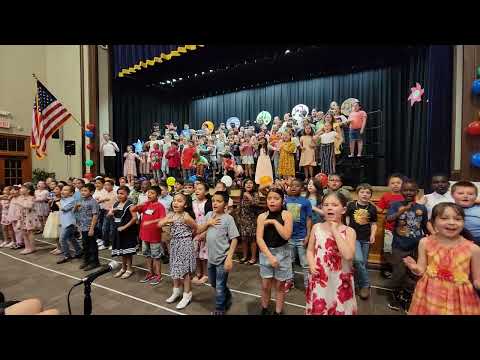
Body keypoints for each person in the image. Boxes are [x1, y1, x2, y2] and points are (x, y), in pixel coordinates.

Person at [403, 203, 480, 315]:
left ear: (463, 222)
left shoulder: (474, 249)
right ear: (432, 222)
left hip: (459, 299)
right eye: (444, 218)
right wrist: (414, 268)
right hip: (429, 294)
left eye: (458, 219)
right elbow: (421, 269)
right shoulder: (425, 242)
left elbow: (477, 280)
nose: (452, 222)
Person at [305, 188, 357, 315]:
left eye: (334, 205)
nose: (329, 208)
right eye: (326, 205)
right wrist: (311, 264)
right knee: (321, 307)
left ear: (343, 210)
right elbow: (310, 250)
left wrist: (335, 230)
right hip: (320, 277)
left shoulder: (349, 231)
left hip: (340, 279)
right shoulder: (317, 228)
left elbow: (348, 255)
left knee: (339, 307)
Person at [386, 179, 428, 311]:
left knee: (413, 273)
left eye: (412, 190)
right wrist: (402, 210)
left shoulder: (421, 208)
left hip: (416, 246)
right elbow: (389, 218)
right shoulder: (395, 204)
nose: (409, 192)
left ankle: (407, 296)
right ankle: (394, 294)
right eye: (406, 190)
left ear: (417, 191)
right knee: (399, 271)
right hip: (399, 245)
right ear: (401, 191)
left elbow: (425, 225)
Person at [196, 191, 240, 315]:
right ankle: (228, 295)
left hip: (223, 258)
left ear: (225, 204)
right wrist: (208, 223)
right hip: (211, 257)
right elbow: (200, 229)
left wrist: (229, 258)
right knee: (213, 283)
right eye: (214, 200)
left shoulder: (228, 219)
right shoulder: (209, 214)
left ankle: (219, 309)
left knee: (220, 286)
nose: (215, 203)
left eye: (219, 201)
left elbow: (235, 239)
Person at [256, 188, 293, 315]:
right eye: (269, 198)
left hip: (283, 253)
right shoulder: (261, 216)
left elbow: (286, 235)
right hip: (266, 253)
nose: (272, 201)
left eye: (276, 198)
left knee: (280, 286)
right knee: (265, 285)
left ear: (282, 200)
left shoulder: (286, 215)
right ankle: (264, 308)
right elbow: (259, 239)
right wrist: (270, 257)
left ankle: (278, 312)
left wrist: (273, 222)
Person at [159, 192, 197, 309]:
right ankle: (176, 291)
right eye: (174, 200)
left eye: (179, 201)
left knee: (185, 272)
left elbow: (196, 228)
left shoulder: (186, 216)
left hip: (185, 244)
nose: (175, 202)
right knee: (175, 268)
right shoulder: (171, 214)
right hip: (174, 244)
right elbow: (160, 223)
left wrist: (187, 238)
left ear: (185, 205)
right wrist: (164, 222)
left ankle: (187, 294)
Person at [346, 183, 378, 300]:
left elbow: (373, 224)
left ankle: (355, 284)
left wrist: (373, 235)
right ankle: (366, 285)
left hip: (366, 238)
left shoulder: (372, 208)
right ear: (357, 193)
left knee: (362, 263)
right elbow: (348, 219)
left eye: (368, 192)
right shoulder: (351, 206)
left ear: (370, 195)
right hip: (354, 237)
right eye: (362, 192)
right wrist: (347, 231)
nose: (365, 194)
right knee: (358, 260)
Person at [131, 186, 166, 286]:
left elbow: (163, 219)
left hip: (154, 236)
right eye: (148, 193)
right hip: (144, 235)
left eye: (152, 193)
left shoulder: (160, 206)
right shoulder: (146, 204)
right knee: (147, 255)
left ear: (158, 195)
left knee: (156, 256)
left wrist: (151, 221)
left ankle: (158, 275)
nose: (149, 195)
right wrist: (139, 205)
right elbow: (133, 209)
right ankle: (150, 273)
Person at [284, 178, 312, 292]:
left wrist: (308, 235)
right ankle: (289, 281)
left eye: (297, 185)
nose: (294, 187)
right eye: (292, 185)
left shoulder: (305, 202)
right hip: (289, 237)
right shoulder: (285, 201)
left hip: (301, 237)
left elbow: (309, 219)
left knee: (305, 263)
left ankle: (308, 284)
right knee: (289, 261)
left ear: (302, 188)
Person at [376, 173, 405, 279]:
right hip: (389, 228)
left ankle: (399, 268)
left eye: (398, 183)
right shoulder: (386, 196)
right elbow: (379, 209)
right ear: (388, 185)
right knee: (388, 249)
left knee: (400, 249)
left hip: (403, 229)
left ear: (403, 184)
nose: (395, 185)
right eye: (393, 183)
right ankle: (388, 267)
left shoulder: (406, 195)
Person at [110, 186, 137, 279]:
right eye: (118, 193)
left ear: (127, 194)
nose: (120, 195)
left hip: (127, 231)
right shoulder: (116, 204)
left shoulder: (130, 205)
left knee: (127, 251)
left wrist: (125, 227)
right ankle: (123, 267)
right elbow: (109, 216)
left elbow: (135, 218)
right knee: (121, 250)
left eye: (122, 193)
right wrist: (111, 212)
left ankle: (129, 268)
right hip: (117, 230)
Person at [75, 183, 100, 271]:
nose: (83, 192)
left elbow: (95, 216)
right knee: (85, 245)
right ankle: (87, 260)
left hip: (90, 227)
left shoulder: (93, 202)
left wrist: (92, 228)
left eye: (85, 191)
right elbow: (77, 211)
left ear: (92, 192)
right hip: (83, 227)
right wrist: (76, 207)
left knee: (92, 245)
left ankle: (95, 262)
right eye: (82, 190)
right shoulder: (82, 200)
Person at [192, 181, 212, 285]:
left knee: (204, 255)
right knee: (196, 253)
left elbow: (211, 220)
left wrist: (205, 233)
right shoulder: (193, 203)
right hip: (195, 231)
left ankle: (205, 274)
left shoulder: (208, 203)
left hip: (205, 232)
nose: (197, 191)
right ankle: (198, 272)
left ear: (206, 191)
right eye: (196, 189)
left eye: (200, 189)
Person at [57, 185, 83, 264]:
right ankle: (79, 251)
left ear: (71, 193)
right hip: (64, 222)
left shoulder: (72, 200)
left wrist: (58, 203)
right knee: (71, 238)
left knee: (62, 239)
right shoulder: (62, 199)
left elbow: (64, 209)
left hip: (69, 223)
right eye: (63, 190)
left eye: (66, 190)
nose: (63, 191)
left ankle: (67, 255)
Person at [238, 178, 260, 265]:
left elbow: (256, 203)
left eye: (251, 183)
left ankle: (253, 257)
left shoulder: (255, 194)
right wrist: (238, 218)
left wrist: (248, 196)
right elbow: (240, 206)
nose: (248, 184)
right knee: (244, 239)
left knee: (252, 239)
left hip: (252, 220)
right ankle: (244, 256)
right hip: (243, 220)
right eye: (246, 183)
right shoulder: (242, 194)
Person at [451, 181, 480, 246]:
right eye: (460, 193)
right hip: (456, 239)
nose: (465, 196)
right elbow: (432, 221)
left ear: (476, 196)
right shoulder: (448, 208)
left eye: (470, 194)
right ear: (452, 195)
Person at [17, 184, 40, 255]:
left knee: (30, 232)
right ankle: (27, 247)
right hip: (23, 217)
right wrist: (18, 220)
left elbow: (29, 206)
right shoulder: (20, 198)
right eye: (20, 188)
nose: (20, 190)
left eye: (22, 188)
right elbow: (18, 209)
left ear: (28, 190)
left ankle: (32, 248)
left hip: (30, 217)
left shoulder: (32, 198)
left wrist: (20, 203)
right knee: (24, 232)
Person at [97, 179, 117, 250]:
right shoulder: (104, 192)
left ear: (112, 186)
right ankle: (106, 243)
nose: (106, 186)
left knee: (112, 230)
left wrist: (103, 200)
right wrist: (102, 199)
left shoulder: (115, 194)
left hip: (113, 213)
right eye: (105, 185)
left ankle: (113, 244)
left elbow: (117, 205)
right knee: (104, 229)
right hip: (105, 212)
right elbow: (99, 200)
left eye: (108, 185)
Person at [44, 184, 62, 255]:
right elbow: (51, 207)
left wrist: (56, 202)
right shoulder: (53, 198)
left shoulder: (62, 199)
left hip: (58, 216)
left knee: (59, 233)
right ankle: (58, 247)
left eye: (57, 189)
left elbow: (60, 208)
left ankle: (61, 248)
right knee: (55, 233)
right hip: (52, 215)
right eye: (54, 189)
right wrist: (50, 202)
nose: (55, 191)